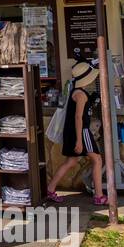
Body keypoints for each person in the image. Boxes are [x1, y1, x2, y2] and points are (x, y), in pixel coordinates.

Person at [45, 60, 106, 205]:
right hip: (81, 132)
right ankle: (99, 195)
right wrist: (79, 140)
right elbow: (78, 117)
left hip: (72, 132)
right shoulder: (81, 95)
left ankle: (50, 189)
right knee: (97, 159)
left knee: (71, 161)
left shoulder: (75, 91)